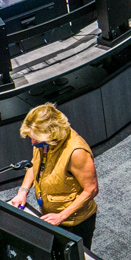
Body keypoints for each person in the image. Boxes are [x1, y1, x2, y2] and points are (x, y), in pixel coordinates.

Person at [10, 104, 99, 247]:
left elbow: (92, 189)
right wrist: (23, 191)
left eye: (36, 140)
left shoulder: (76, 152)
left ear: (52, 134)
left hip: (74, 222)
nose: (32, 143)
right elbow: (35, 164)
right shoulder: (45, 143)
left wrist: (61, 216)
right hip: (51, 215)